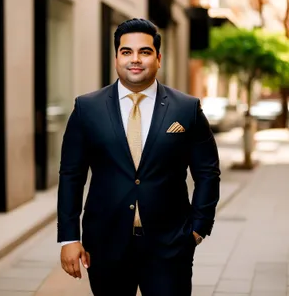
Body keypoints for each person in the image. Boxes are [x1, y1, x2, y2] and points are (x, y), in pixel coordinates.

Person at [57, 18, 220, 296]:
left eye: (144, 52)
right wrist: (69, 237)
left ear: (158, 58)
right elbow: (71, 175)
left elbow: (207, 172)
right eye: (126, 51)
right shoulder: (87, 108)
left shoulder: (187, 109)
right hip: (105, 243)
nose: (135, 59)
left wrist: (198, 228)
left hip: (170, 244)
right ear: (117, 57)